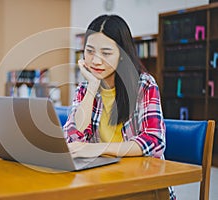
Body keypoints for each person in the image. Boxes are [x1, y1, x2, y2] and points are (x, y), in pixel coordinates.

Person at [63, 15, 176, 200]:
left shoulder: (144, 85)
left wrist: (99, 148)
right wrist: (92, 86)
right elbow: (73, 136)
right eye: (89, 51)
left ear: (122, 55)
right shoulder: (85, 88)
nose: (96, 61)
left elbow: (154, 141)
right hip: (101, 182)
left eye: (106, 53)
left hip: (143, 185)